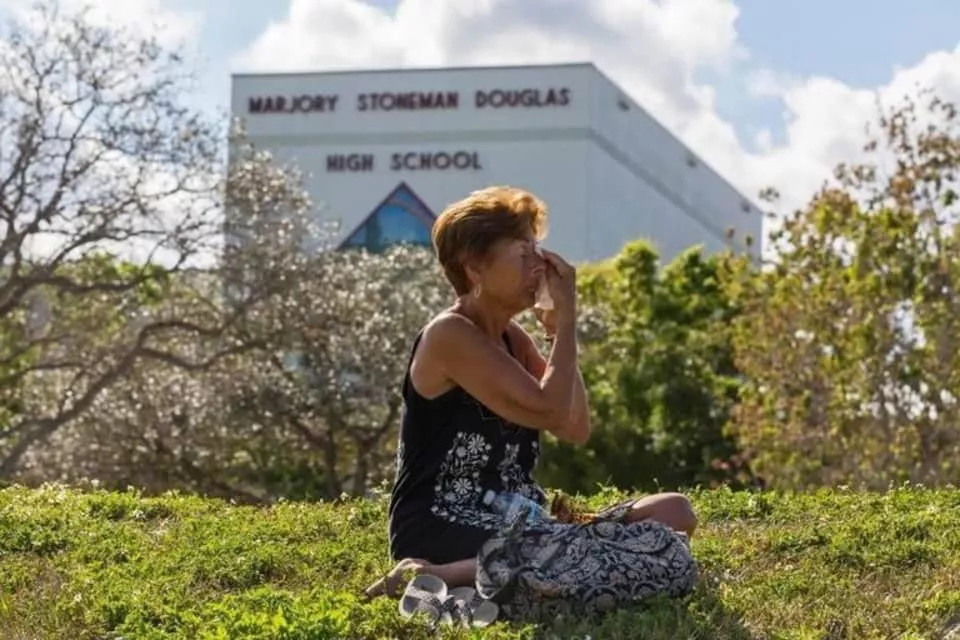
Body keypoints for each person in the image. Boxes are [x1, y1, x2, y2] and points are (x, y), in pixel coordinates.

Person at [365, 185, 698, 603]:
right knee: (573, 549)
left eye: (537, 250)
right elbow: (549, 410)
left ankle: (545, 562)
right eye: (524, 254)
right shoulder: (449, 334)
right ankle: (434, 574)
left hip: (522, 521)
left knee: (674, 512)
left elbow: (574, 427)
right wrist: (569, 322)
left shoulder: (512, 338)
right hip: (444, 523)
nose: (539, 265)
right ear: (475, 267)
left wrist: (557, 331)